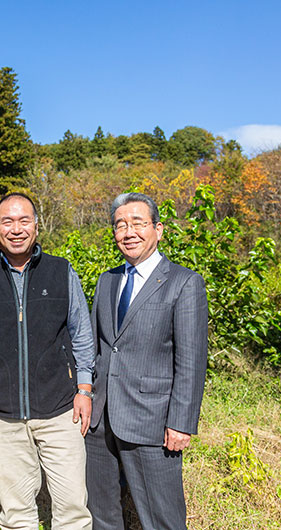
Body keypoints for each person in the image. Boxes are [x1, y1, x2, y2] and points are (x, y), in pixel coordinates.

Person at [0, 192, 94, 529]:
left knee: (72, 509)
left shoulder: (61, 271)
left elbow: (81, 334)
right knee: (16, 513)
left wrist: (84, 388)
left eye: (24, 220)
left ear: (36, 227)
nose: (16, 229)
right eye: (7, 221)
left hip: (61, 411)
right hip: (3, 417)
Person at [86, 192, 208, 530]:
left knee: (161, 517)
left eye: (138, 223)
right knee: (101, 513)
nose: (129, 233)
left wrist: (181, 422)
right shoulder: (108, 280)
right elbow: (98, 346)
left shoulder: (184, 283)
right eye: (120, 225)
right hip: (100, 418)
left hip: (152, 420)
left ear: (158, 229)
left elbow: (191, 360)